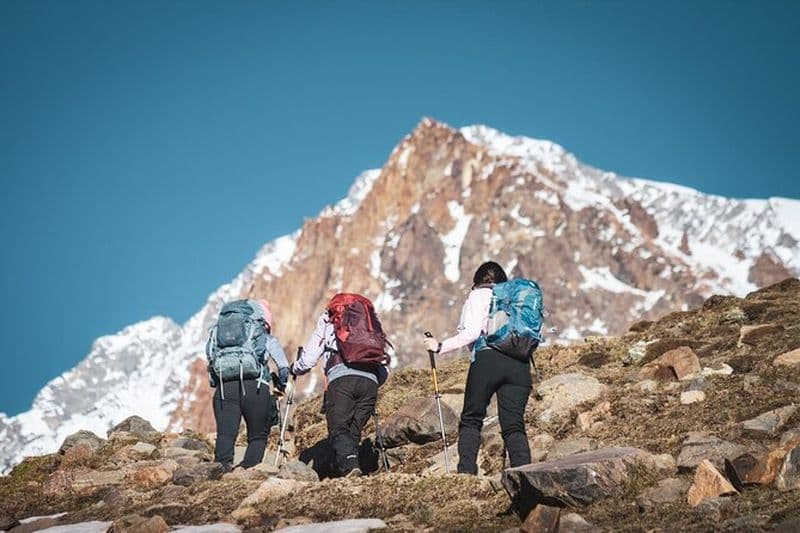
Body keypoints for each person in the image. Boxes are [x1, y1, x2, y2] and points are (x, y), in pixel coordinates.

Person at [423, 261, 532, 474]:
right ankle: (526, 477)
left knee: (471, 419)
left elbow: (471, 333)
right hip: (519, 364)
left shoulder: (478, 295)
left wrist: (440, 347)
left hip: (488, 359)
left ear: (477, 282)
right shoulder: (515, 298)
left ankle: (466, 474)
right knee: (513, 425)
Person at [291, 293, 390, 477]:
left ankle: (350, 466)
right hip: (370, 381)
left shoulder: (329, 319)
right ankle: (348, 470)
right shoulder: (369, 322)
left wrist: (295, 368)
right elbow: (383, 365)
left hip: (342, 379)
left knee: (338, 428)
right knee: (353, 431)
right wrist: (375, 381)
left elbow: (309, 358)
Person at [207, 299, 289, 471]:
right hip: (256, 387)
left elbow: (210, 359)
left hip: (225, 389)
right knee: (258, 435)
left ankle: (221, 470)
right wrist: (280, 386)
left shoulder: (219, 335)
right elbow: (283, 367)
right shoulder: (265, 337)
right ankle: (248, 470)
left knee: (225, 434)